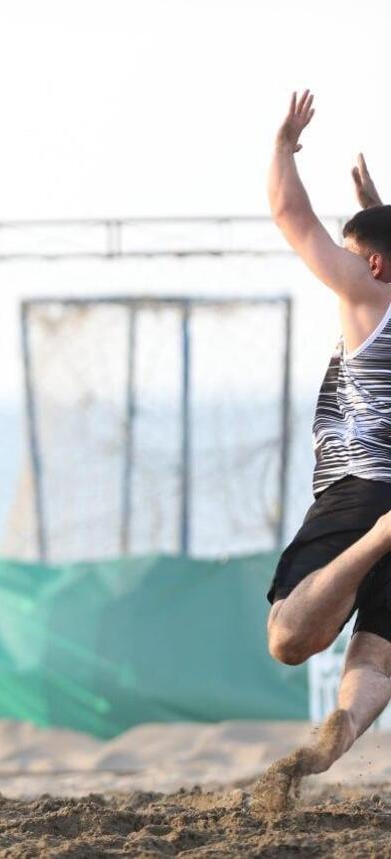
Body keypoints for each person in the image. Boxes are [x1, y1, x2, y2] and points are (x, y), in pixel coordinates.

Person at [251, 93, 391, 812]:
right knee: (378, 650)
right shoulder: (382, 274)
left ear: (374, 263)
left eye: (355, 253)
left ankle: (381, 538)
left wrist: (283, 145)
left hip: (363, 491)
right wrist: (376, 209)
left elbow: (290, 214)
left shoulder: (370, 294)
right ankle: (336, 739)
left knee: (286, 638)